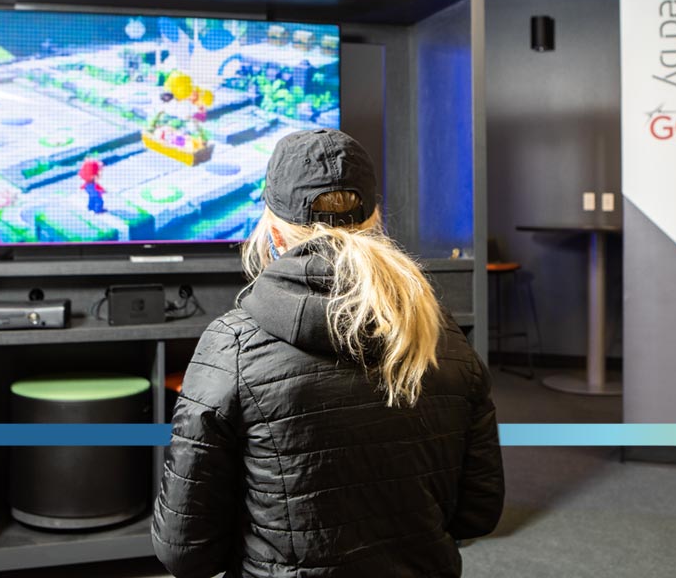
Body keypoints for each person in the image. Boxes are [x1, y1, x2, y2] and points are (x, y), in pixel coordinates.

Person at [152, 129, 504, 578]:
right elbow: (478, 515)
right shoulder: (442, 334)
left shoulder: (231, 346)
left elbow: (185, 552)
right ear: (375, 220)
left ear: (274, 233)